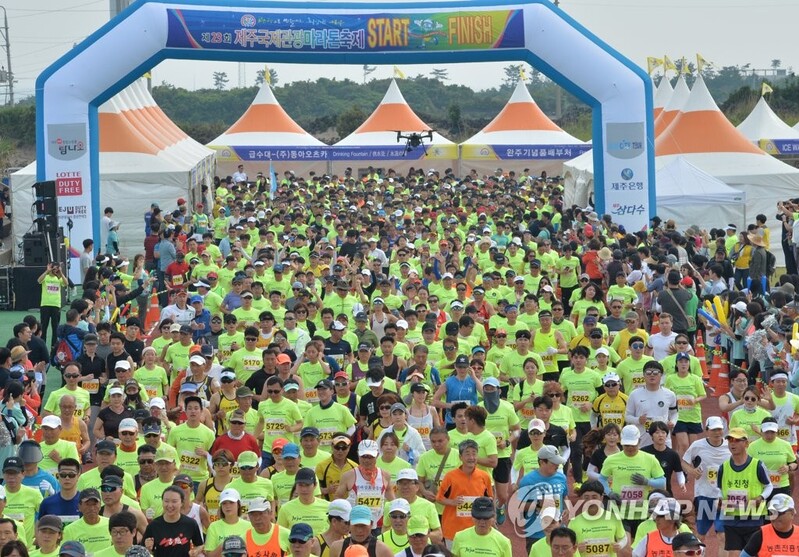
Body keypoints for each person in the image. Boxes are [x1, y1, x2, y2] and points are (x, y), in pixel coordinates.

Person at [599, 425, 666, 538]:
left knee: (641, 549)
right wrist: (609, 492)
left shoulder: (650, 459)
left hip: (643, 512)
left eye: (633, 445)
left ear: (639, 441)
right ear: (621, 442)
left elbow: (662, 482)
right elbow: (602, 479)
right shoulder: (611, 460)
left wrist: (647, 482)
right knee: (624, 548)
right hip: (620, 511)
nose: (630, 448)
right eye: (626, 445)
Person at [718, 427, 772, 556]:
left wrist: (760, 498)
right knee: (734, 554)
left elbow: (768, 486)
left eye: (737, 440)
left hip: (753, 518)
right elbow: (719, 488)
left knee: (753, 554)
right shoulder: (723, 467)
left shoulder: (757, 465)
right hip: (731, 518)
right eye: (730, 440)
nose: (732, 443)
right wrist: (719, 499)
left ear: (746, 443)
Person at [681, 416, 730, 550]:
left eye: (719, 429)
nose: (717, 433)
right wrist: (692, 471)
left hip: (723, 497)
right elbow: (684, 462)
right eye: (713, 430)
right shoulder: (697, 445)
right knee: (701, 535)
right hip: (704, 495)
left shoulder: (729, 445)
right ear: (707, 430)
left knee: (722, 536)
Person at [436, 439, 493, 543]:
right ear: (460, 457)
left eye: (474, 454)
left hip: (476, 529)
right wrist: (452, 502)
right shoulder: (450, 477)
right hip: (453, 529)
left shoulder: (484, 476)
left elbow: (490, 499)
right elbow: (439, 498)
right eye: (467, 454)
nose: (471, 457)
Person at [516, 445, 569, 551]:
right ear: (542, 462)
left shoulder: (561, 477)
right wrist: (540, 503)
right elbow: (519, 506)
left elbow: (564, 496)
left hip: (558, 531)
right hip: (536, 533)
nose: (557, 465)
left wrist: (567, 509)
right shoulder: (527, 481)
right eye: (553, 463)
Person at [142, 486, 204, 557]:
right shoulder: (153, 525)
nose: (170, 505)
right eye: (166, 501)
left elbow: (200, 545)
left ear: (181, 503)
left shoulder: (190, 524)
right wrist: (148, 548)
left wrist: (195, 551)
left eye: (174, 501)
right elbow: (144, 550)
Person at [328, 505, 394, 557]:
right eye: (356, 525)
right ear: (349, 525)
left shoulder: (383, 550)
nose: (359, 530)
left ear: (371, 525)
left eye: (363, 525)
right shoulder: (336, 547)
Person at [62, 489, 110, 556]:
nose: (92, 508)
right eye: (87, 504)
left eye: (95, 504)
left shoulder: (110, 524)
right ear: (79, 506)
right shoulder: (70, 530)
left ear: (100, 505)